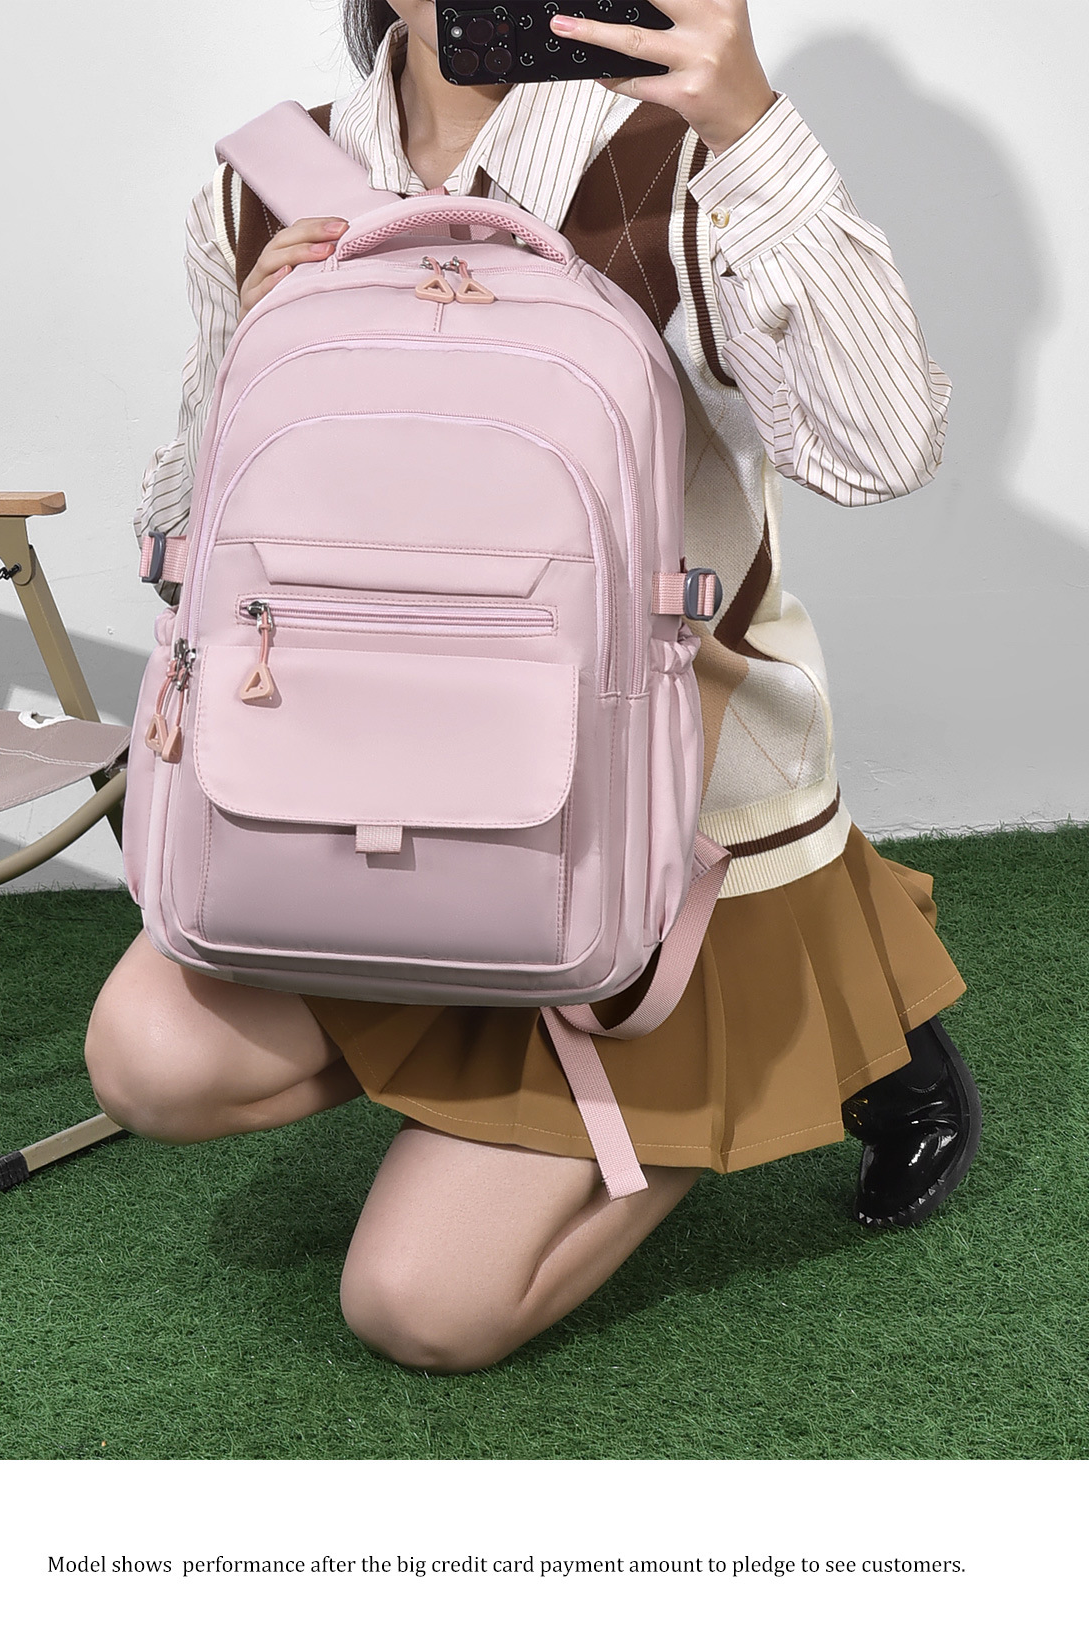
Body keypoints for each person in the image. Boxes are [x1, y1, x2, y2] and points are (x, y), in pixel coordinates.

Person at [86, 0, 980, 1373]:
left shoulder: (677, 163)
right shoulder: (261, 184)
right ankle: (486, 1056)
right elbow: (191, 560)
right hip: (347, 793)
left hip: (652, 839)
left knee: (422, 1307)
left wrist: (750, 128)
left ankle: (808, 1040)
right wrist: (254, 369)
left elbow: (882, 452)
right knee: (149, 1058)